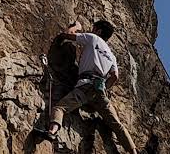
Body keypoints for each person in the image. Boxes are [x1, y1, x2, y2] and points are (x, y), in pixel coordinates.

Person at [43, 20, 137, 154]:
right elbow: (114, 76)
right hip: (100, 90)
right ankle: (133, 151)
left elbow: (66, 35)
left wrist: (77, 27)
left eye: (93, 28)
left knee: (60, 108)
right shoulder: (112, 55)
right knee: (117, 124)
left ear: (98, 31)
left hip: (85, 85)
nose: (92, 30)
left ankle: (52, 132)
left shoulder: (93, 38)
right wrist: (104, 87)